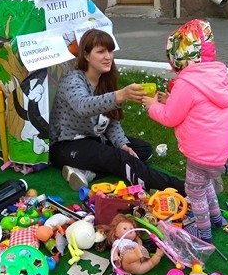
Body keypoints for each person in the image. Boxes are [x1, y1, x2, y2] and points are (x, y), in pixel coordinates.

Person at [49, 28, 184, 191]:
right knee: (120, 159)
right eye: (101, 52)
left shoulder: (104, 80)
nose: (108, 57)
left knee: (142, 150)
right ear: (86, 55)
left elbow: (111, 121)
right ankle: (178, 186)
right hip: (66, 145)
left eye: (110, 51)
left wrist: (122, 145)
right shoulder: (72, 80)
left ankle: (88, 172)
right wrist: (120, 95)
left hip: (94, 139)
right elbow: (82, 106)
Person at [142, 19, 228, 243]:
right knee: (205, 183)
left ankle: (203, 232)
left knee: (194, 190)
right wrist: (170, 99)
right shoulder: (216, 75)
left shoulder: (186, 82)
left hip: (201, 154)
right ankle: (216, 218)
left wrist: (152, 105)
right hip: (222, 152)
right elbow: (195, 106)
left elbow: (170, 117)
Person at [98, 214, 163, 275]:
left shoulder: (134, 243)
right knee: (127, 257)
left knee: (150, 263)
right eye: (125, 228)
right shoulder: (119, 241)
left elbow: (140, 243)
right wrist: (115, 255)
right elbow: (114, 249)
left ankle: (158, 255)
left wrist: (137, 239)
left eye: (131, 229)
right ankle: (136, 254)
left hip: (138, 265)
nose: (130, 230)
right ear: (116, 233)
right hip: (128, 262)